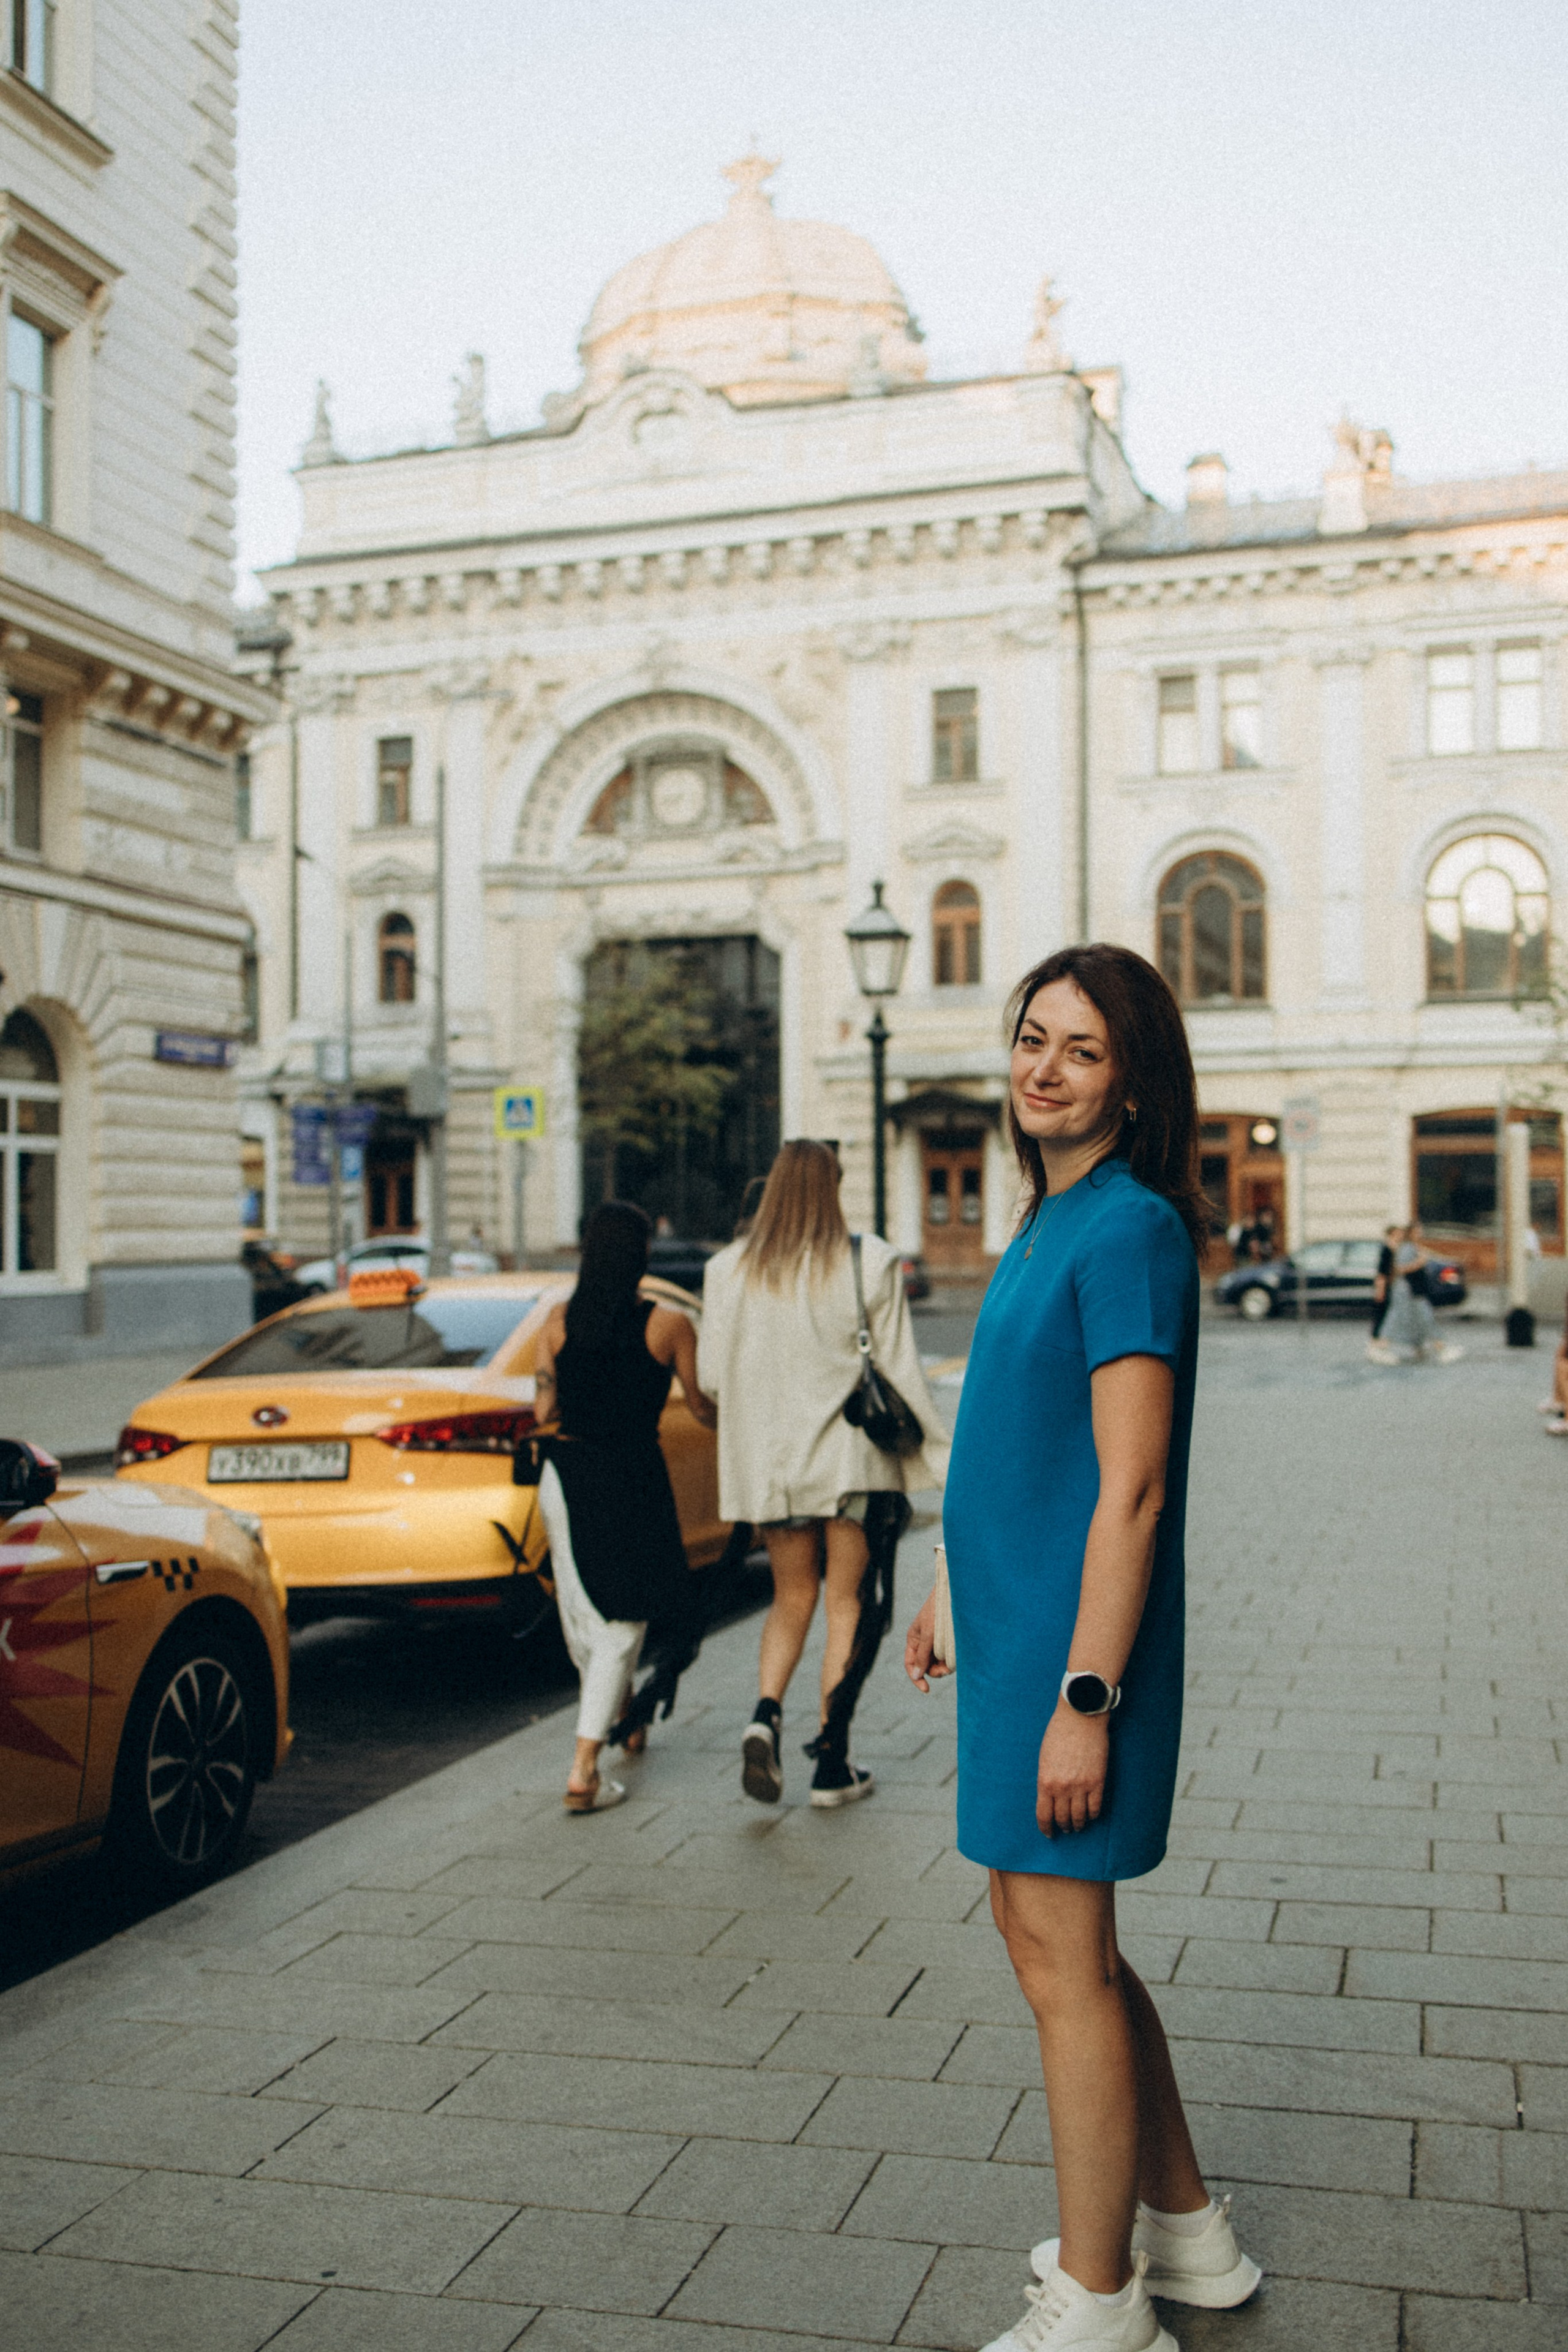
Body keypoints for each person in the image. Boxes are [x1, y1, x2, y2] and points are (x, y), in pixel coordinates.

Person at [906, 943, 1261, 2352]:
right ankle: (1186, 2232)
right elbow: (1015, 1436)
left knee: (1061, 1953)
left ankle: (1102, 2300)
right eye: (1029, 1037)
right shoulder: (1048, 1219)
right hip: (1012, 1637)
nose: (1039, 1066)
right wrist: (945, 1577)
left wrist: (1082, 1699)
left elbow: (1131, 1484)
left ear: (1131, 1084)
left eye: (1079, 1049)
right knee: (1060, 1943)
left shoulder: (1124, 1230)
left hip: (1073, 1660)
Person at [699, 1139, 947, 1809]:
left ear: (773, 1185)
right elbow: (896, 1368)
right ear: (834, 1187)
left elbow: (711, 1379)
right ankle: (832, 1764)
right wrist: (945, 1454)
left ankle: (764, 1713)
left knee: (790, 1601)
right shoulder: (869, 1261)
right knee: (846, 1605)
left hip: (776, 1471)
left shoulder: (726, 1271)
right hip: (853, 1467)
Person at [531, 1200, 716, 1813]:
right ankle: (584, 1767)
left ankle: (622, 1721)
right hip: (630, 1477)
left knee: (587, 1613)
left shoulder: (557, 1322)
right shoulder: (667, 1325)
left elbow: (543, 1414)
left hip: (565, 1474)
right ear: (641, 1256)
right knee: (623, 1618)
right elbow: (699, 1405)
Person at [1382, 1221, 1464, 1364]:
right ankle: (1442, 1349)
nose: (1421, 1233)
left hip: (1414, 1290)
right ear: (1412, 1232)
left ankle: (1418, 1349)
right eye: (1419, 1231)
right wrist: (1420, 1263)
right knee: (1422, 1319)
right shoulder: (1407, 1248)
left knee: (1413, 1321)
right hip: (1409, 1291)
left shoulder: (1413, 1247)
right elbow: (1400, 1269)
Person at [1366, 1223, 1401, 1363]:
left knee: (1385, 1316)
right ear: (1392, 1234)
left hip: (1390, 1286)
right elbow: (1382, 1272)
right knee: (1382, 1315)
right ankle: (1376, 1346)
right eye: (1398, 1233)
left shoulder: (1393, 1249)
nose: (1401, 1236)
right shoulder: (1387, 1250)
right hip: (1385, 1286)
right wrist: (1380, 1290)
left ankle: (1378, 1346)